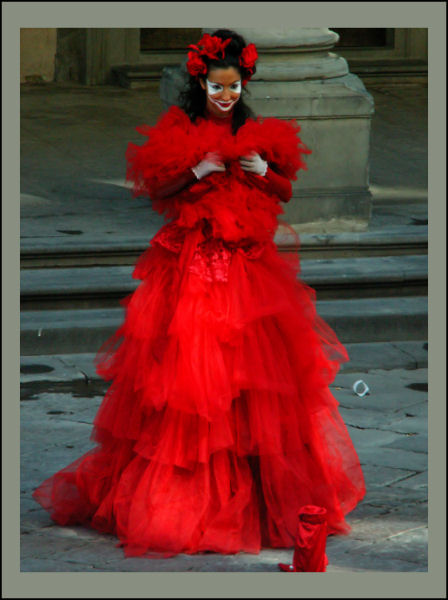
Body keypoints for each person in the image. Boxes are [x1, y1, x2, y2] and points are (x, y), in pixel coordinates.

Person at [32, 29, 365, 559]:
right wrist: (197, 170)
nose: (226, 96)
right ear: (202, 82)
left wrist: (263, 172)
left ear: (243, 84)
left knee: (251, 379)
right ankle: (185, 502)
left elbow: (283, 189)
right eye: (217, 86)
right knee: (188, 381)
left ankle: (255, 499)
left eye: (233, 87)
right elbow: (154, 189)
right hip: (190, 268)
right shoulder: (180, 128)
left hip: (247, 269)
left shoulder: (257, 129)